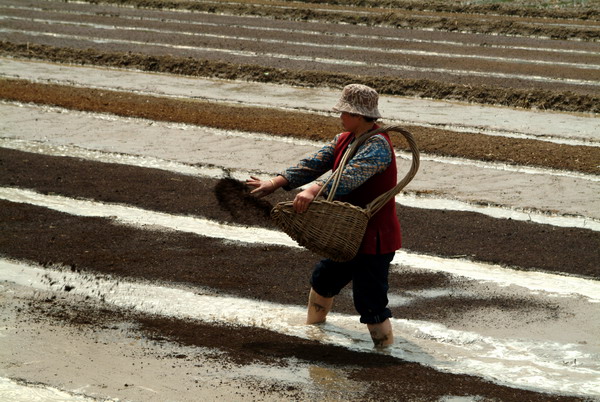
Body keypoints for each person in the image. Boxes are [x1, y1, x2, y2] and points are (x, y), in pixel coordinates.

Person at [246, 84, 400, 347]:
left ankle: (386, 352)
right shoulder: (344, 139)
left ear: (358, 115)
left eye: (344, 112)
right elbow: (314, 163)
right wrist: (275, 182)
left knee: (370, 301)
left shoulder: (378, 146)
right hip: (345, 233)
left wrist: (313, 191)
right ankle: (314, 332)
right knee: (323, 279)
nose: (340, 116)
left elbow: (350, 176)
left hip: (374, 238)